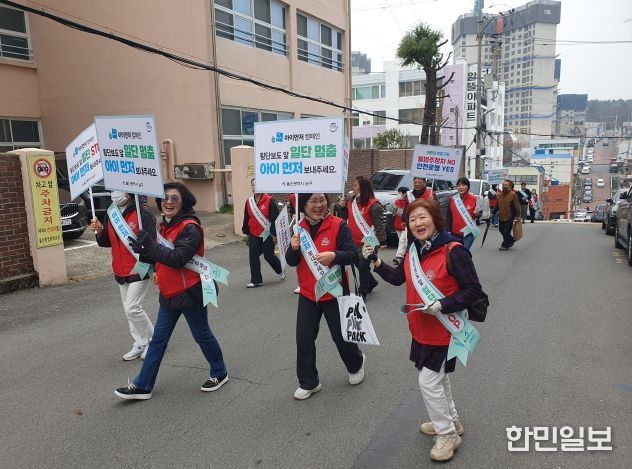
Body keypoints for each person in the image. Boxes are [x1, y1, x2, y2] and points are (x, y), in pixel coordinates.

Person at [362, 198, 482, 462]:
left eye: (423, 217)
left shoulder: (454, 250)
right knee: (439, 378)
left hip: (445, 331)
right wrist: (376, 261)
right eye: (412, 219)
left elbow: (473, 290)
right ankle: (451, 421)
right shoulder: (414, 249)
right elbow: (399, 278)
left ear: (435, 219)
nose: (418, 223)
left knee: (428, 382)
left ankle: (447, 434)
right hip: (420, 330)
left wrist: (442, 304)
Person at [114, 182, 228, 400]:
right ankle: (143, 385)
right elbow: (159, 257)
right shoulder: (163, 226)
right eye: (164, 198)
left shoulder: (190, 227)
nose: (168, 202)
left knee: (202, 335)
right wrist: (144, 252)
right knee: (158, 340)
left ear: (183, 201)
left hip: (190, 292)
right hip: (169, 292)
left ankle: (220, 372)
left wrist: (151, 246)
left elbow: (178, 258)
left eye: (174, 198)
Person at [285, 193, 365, 400]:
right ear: (303, 205)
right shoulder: (298, 228)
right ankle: (309, 382)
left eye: (322, 200)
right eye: (313, 201)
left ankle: (356, 363)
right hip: (308, 294)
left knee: (341, 337)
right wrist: (293, 248)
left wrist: (334, 256)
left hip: (334, 291)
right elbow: (291, 261)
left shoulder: (339, 225)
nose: (319, 205)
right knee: (304, 339)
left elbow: (353, 254)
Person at [90, 191, 156, 361]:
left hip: (140, 267)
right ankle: (140, 342)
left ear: (129, 192)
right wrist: (100, 231)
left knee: (133, 307)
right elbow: (106, 242)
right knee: (128, 310)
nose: (115, 193)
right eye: (112, 190)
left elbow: (153, 243)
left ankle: (153, 342)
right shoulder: (111, 212)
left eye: (118, 189)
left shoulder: (142, 213)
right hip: (120, 268)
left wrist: (156, 268)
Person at [347, 176, 386, 299]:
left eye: (355, 185)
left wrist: (382, 241)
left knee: (364, 267)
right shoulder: (352, 202)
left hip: (369, 240)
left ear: (363, 188)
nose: (353, 188)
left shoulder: (374, 205)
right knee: (358, 264)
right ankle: (372, 282)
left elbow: (379, 224)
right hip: (353, 240)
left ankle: (362, 292)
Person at [242, 179, 285, 288]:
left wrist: (274, 234)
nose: (254, 187)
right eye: (252, 185)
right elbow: (247, 217)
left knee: (268, 255)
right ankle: (256, 280)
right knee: (253, 257)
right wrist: (246, 230)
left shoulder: (269, 200)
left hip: (267, 233)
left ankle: (280, 270)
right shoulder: (249, 201)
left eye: (256, 185)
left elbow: (275, 218)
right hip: (253, 233)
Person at [445, 177, 480, 250]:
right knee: (456, 253)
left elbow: (479, 215)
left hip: (469, 232)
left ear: (468, 187)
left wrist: (477, 214)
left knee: (463, 251)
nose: (461, 187)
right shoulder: (452, 199)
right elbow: (448, 217)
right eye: (459, 185)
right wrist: (448, 231)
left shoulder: (474, 199)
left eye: (463, 185)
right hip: (455, 233)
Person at [496, 179, 522, 250]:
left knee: (506, 231)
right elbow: (497, 205)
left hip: (510, 216)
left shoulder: (513, 195)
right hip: (501, 216)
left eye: (505, 185)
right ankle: (511, 240)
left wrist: (518, 215)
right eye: (503, 184)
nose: (504, 186)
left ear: (510, 186)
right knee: (501, 230)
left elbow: (517, 206)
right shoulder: (499, 195)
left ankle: (505, 245)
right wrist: (493, 213)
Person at [392, 186, 409, 264]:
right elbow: (394, 213)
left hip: (405, 225)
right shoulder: (396, 202)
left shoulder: (409, 202)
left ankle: (399, 257)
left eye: (400, 193)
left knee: (403, 241)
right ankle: (404, 256)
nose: (398, 194)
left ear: (405, 194)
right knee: (402, 242)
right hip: (397, 225)